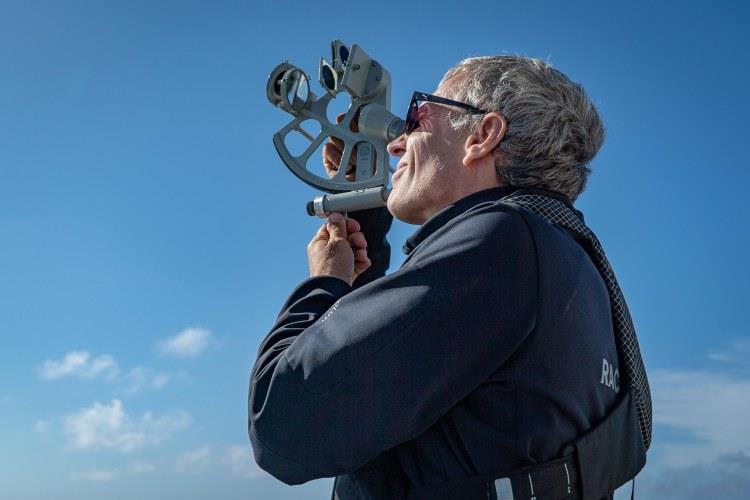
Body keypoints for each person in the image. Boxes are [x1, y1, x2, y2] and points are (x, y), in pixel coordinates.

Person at [248, 55, 648, 500]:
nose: (397, 142)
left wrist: (323, 285)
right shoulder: (559, 260)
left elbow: (285, 425)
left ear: (482, 135)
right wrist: (369, 229)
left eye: (418, 115)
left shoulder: (499, 246)